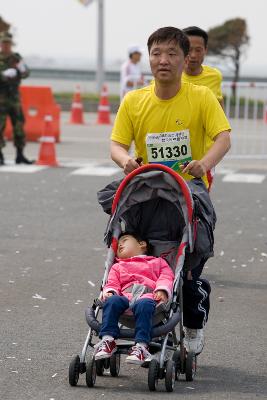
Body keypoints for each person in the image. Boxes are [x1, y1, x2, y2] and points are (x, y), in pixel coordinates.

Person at [110, 27, 231, 355]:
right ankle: (126, 319)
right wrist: (125, 161)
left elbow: (223, 138)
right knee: (135, 256)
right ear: (148, 59)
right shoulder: (134, 100)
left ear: (184, 58)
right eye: (156, 54)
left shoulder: (201, 97)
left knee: (187, 272)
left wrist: (204, 163)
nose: (163, 60)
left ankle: (193, 324)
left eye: (171, 54)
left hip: (188, 194)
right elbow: (117, 144)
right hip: (147, 192)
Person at [94, 233, 174, 365]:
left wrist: (162, 289)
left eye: (124, 240)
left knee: (145, 304)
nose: (120, 244)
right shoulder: (117, 266)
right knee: (112, 301)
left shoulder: (158, 262)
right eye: (118, 243)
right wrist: (110, 292)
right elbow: (112, 283)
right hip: (125, 296)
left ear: (142, 244)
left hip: (148, 295)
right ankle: (108, 340)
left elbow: (166, 277)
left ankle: (141, 346)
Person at [0, 31, 33, 166]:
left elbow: (26, 73)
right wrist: (3, 75)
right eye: (4, 43)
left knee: (19, 126)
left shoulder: (16, 58)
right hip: (1, 99)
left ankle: (20, 154)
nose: (6, 46)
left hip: (14, 99)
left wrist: (20, 70)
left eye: (8, 43)